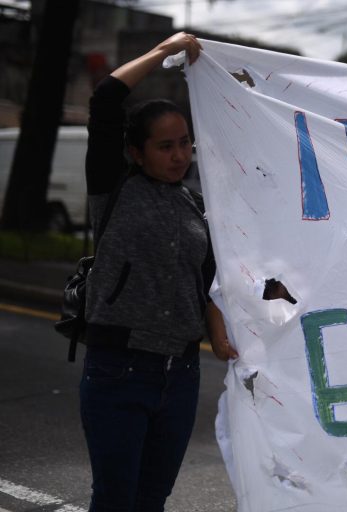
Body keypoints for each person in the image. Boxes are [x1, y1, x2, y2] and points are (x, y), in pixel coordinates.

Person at [80, 32, 237, 511]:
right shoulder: (113, 189)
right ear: (136, 151)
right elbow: (106, 98)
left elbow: (211, 286)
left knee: (152, 499)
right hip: (119, 370)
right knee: (115, 498)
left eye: (185, 143)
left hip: (180, 376)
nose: (179, 155)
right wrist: (162, 53)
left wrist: (223, 342)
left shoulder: (197, 206)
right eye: (165, 146)